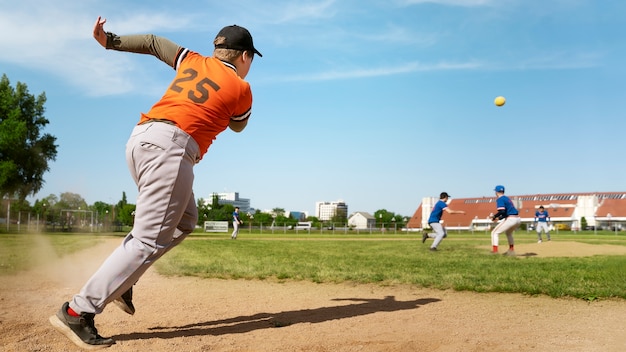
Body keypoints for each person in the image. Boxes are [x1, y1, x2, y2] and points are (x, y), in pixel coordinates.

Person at [49, 16, 262, 349]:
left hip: (141, 138)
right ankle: (77, 311)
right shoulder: (242, 88)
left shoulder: (192, 59)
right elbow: (238, 126)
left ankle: (123, 281)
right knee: (147, 241)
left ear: (217, 49)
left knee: (186, 220)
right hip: (172, 149)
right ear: (245, 56)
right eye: (250, 59)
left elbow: (150, 41)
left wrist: (109, 41)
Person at [490, 185, 520, 256]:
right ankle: (511, 250)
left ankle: (495, 251)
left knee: (494, 233)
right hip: (517, 219)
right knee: (508, 233)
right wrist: (498, 218)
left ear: (496, 192)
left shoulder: (500, 199)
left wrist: (494, 216)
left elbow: (502, 211)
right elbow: (505, 213)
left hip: (511, 219)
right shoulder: (507, 198)